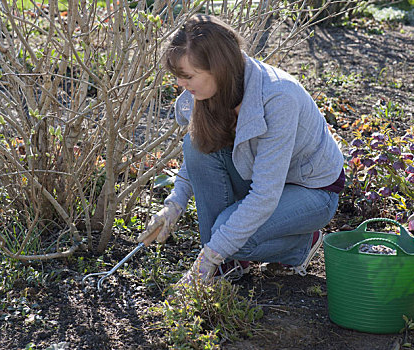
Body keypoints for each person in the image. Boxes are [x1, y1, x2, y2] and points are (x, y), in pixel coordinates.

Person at [138, 14, 344, 284]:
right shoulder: (207, 93)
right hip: (262, 176)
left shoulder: (278, 97)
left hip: (312, 190)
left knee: (232, 240)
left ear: (219, 68)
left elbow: (264, 196)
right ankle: (225, 263)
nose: (180, 84)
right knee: (195, 145)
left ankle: (301, 245)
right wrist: (175, 204)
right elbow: (199, 152)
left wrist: (211, 254)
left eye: (187, 76)